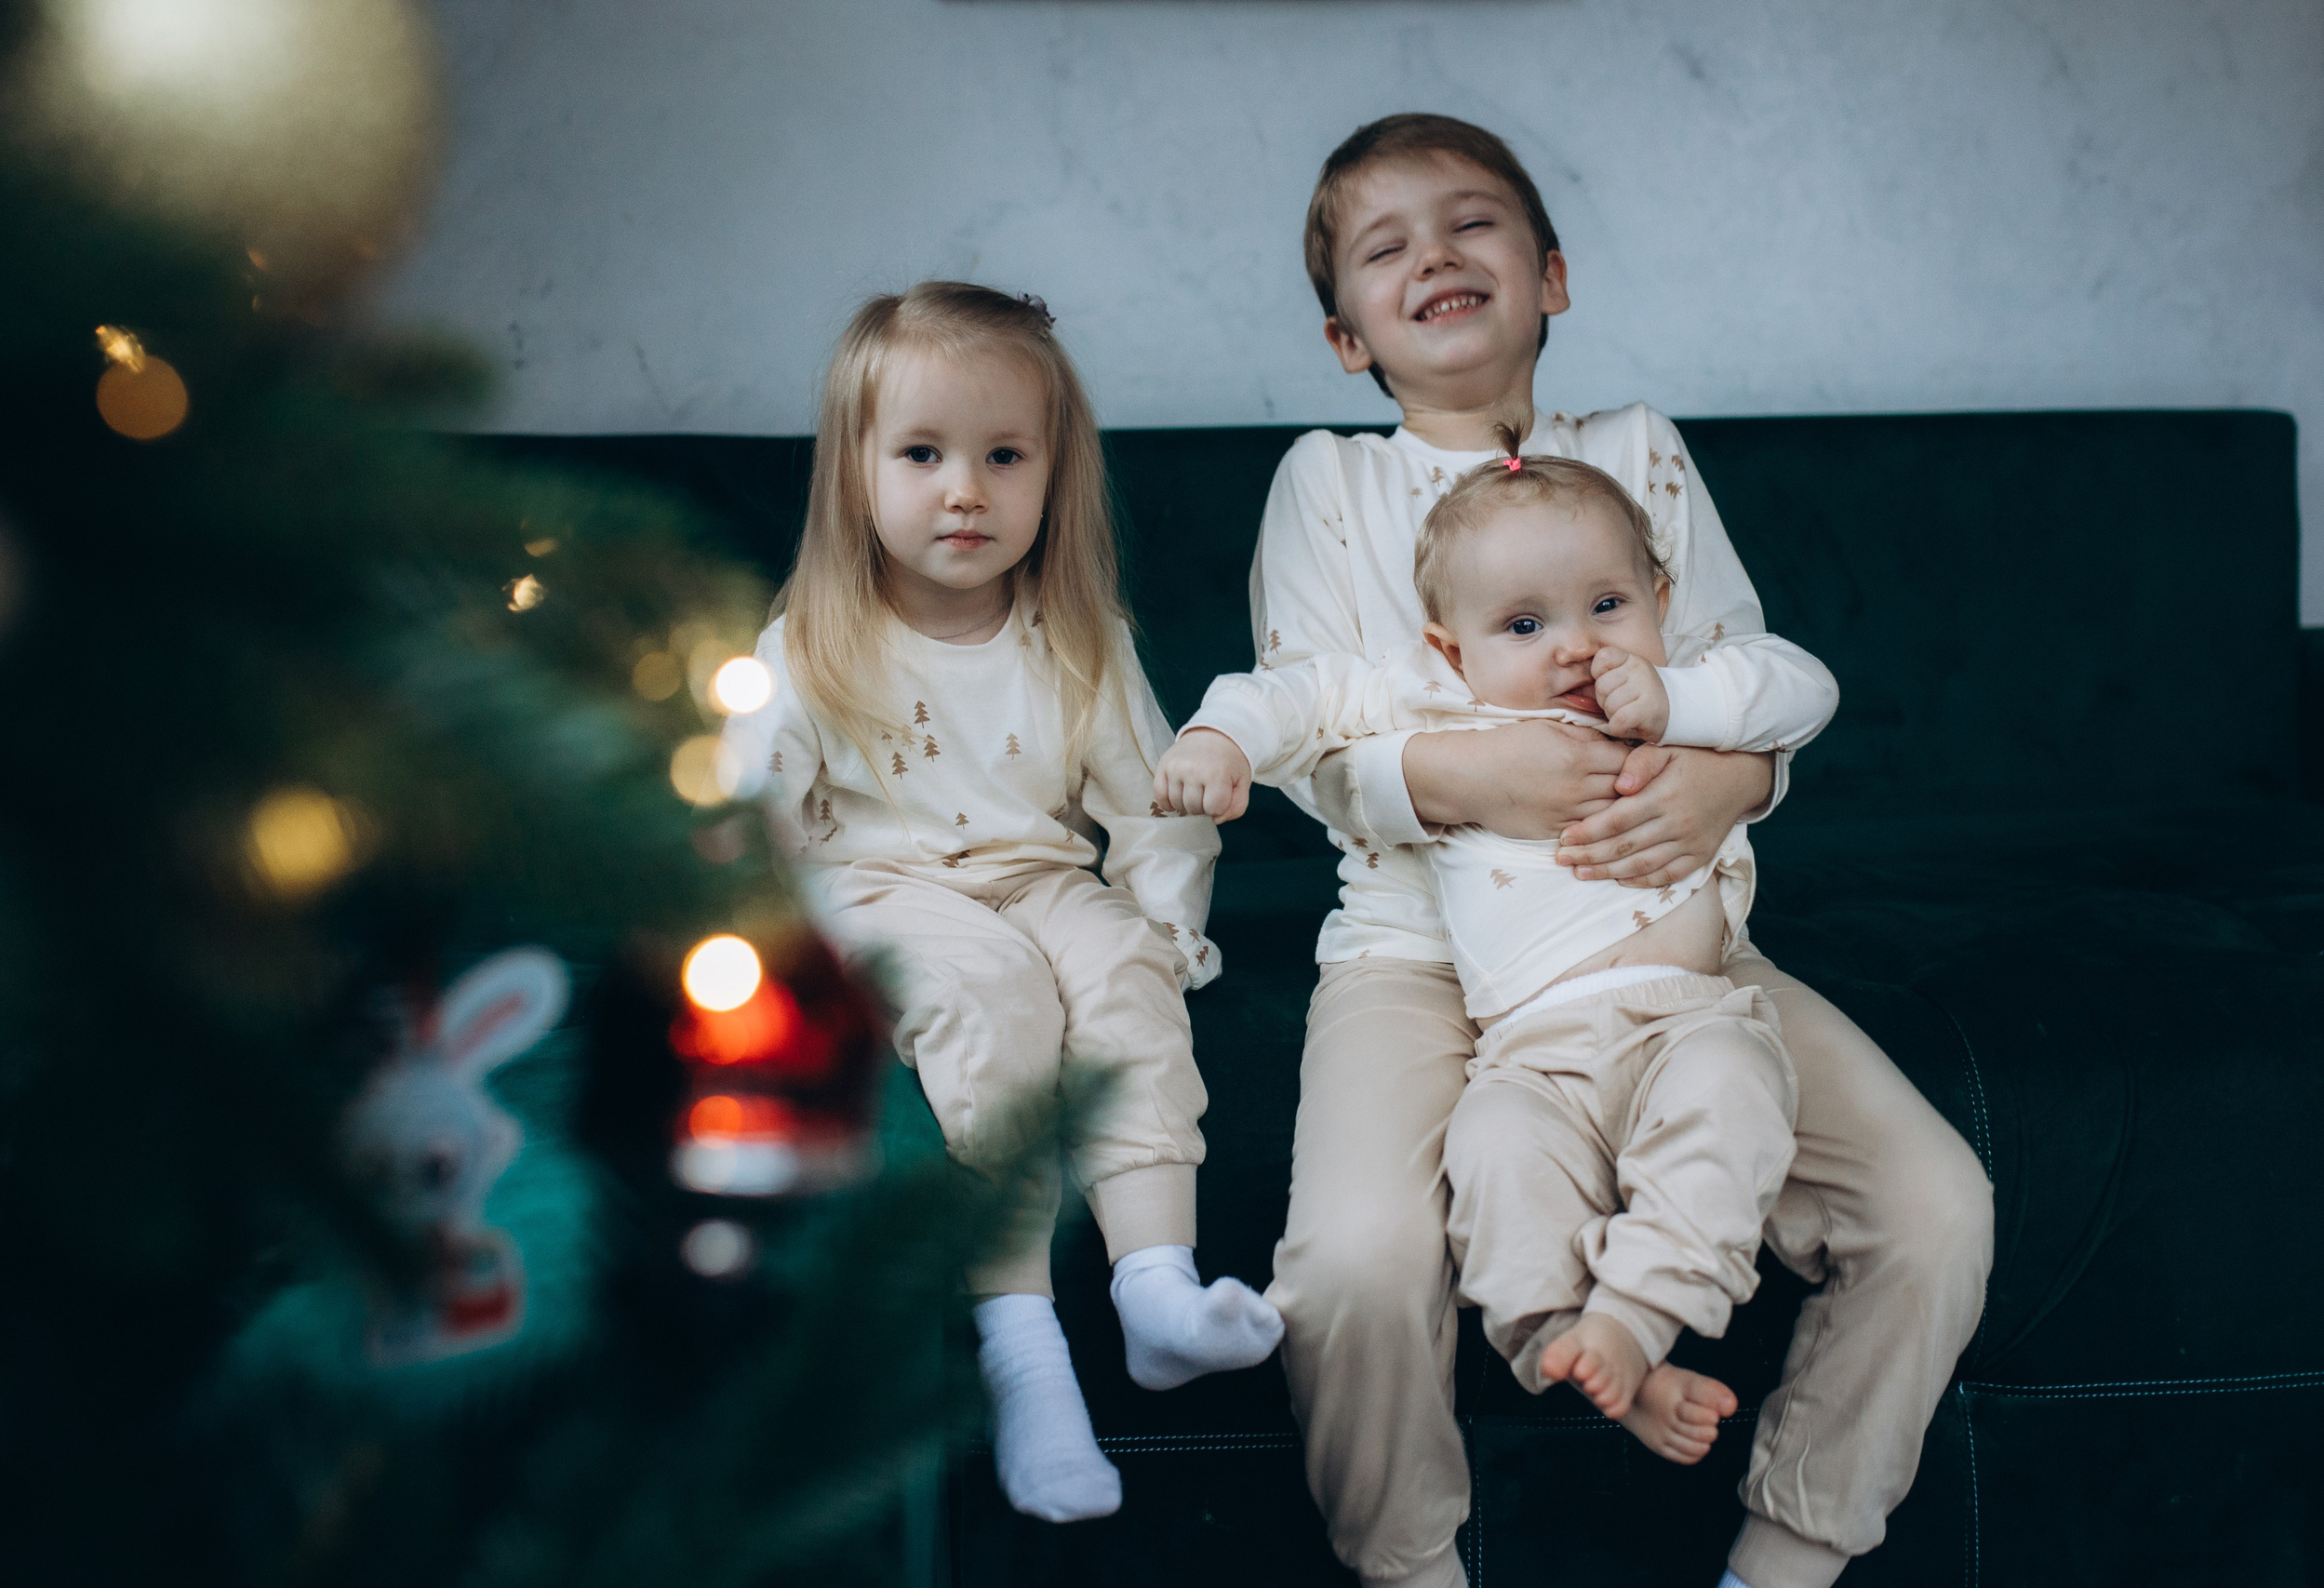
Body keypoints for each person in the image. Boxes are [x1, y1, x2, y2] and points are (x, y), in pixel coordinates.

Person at [1241, 113, 1996, 1588]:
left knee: (1935, 1203)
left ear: (1553, 275)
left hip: (1667, 935)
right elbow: (1315, 751)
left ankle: (1783, 1556)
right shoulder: (1326, 481)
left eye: (1474, 224)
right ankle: (1412, 1567)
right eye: (1387, 248)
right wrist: (1480, 767)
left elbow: (1741, 676)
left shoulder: (1640, 453)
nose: (1437, 256)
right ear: (1348, 338)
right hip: (1420, 953)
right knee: (1352, 1267)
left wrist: (1732, 789)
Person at [725, 281, 1283, 1525]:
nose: (964, 488)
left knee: (1125, 981)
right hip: (884, 884)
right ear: (857, 474)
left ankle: (1157, 1289)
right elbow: (747, 803)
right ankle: (1027, 1353)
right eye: (922, 454)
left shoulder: (1081, 634)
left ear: (1052, 474)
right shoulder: (810, 645)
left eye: (1001, 456)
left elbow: (1151, 802)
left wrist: (1159, 924)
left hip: (1042, 875)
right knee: (993, 1001)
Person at [1157, 441, 1834, 1448]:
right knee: (1492, 1164)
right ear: (1448, 648)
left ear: (1656, 595)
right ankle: (1577, 1344)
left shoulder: (1684, 683)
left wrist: (1680, 704)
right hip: (1527, 1054)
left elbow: (1803, 684)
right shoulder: (1429, 701)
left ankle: (1635, 1317)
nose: (1573, 648)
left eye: (1607, 607)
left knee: (1734, 1098)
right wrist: (1218, 742)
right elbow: (1292, 698)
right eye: (1523, 624)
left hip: (1689, 1017)